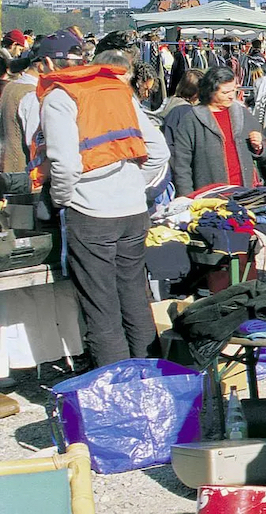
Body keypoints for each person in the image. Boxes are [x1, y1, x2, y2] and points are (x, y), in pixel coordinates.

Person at [37, 32, 169, 366]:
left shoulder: (59, 96)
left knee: (102, 309)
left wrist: (61, 199)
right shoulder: (115, 89)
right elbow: (158, 151)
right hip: (133, 211)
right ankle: (150, 380)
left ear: (49, 64)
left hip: (91, 214)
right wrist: (132, 185)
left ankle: (116, 394)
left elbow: (64, 164)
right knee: (135, 300)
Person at [169, 67, 265, 195]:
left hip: (245, 194)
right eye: (225, 93)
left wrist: (259, 146)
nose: (231, 96)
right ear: (210, 91)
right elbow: (181, 164)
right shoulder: (192, 119)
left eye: (233, 91)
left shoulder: (242, 113)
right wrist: (187, 197)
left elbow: (263, 149)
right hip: (210, 197)